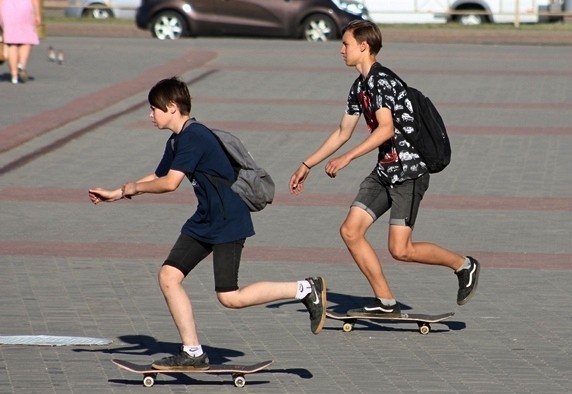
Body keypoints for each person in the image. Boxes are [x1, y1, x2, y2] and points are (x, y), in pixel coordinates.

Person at [89, 77, 327, 371]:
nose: (150, 115)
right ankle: (192, 352)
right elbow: (159, 174)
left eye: (154, 109)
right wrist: (117, 192)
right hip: (206, 218)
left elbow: (171, 183)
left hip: (228, 218)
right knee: (168, 276)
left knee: (230, 297)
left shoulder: (194, 136)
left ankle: (305, 288)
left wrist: (133, 189)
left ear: (172, 107)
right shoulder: (177, 140)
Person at [289, 20, 480, 316]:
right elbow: (342, 131)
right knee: (351, 231)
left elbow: (386, 129)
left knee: (401, 250)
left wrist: (347, 158)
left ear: (363, 46)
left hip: (409, 172)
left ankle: (464, 265)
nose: (341, 50)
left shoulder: (382, 81)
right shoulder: (359, 86)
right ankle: (386, 302)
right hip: (385, 171)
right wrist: (307, 164)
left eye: (346, 44)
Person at [0, 0, 41, 84]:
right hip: (24, 3)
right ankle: (21, 64)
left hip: (7, 4)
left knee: (11, 41)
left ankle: (13, 76)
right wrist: (37, 14)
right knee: (26, 38)